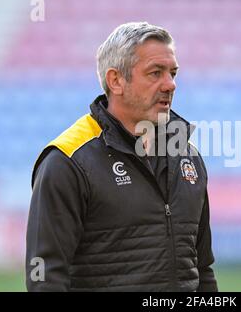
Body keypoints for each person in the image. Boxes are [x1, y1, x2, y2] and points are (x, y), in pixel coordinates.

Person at [25, 22, 218, 292]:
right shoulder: (67, 161)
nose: (170, 84)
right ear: (116, 80)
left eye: (173, 73)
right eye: (155, 73)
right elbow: (45, 277)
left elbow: (202, 269)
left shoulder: (188, 156)